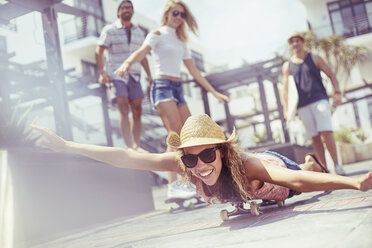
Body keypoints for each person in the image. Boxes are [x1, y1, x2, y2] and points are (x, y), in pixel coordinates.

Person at [32, 114, 372, 206]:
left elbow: (296, 183)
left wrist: (353, 183)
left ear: (221, 152)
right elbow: (129, 158)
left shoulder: (246, 167)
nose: (201, 165)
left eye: (208, 154)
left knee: (306, 172)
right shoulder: (187, 165)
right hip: (257, 188)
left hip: (279, 171)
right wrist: (68, 146)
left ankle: (313, 160)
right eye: (192, 159)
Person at [114, 0, 229, 199]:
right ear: (167, 13)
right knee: (175, 135)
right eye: (175, 13)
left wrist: (214, 92)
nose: (178, 18)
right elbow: (142, 53)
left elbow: (194, 71)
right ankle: (173, 185)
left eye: (182, 15)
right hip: (162, 86)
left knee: (192, 135)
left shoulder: (181, 41)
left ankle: (191, 181)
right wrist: (126, 62)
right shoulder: (157, 34)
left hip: (177, 89)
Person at [282, 32, 346, 175]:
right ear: (290, 45)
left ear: (302, 42)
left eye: (297, 40)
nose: (295, 43)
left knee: (326, 131)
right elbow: (285, 90)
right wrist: (286, 111)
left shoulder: (315, 58)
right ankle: (325, 170)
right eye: (292, 41)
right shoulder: (287, 66)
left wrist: (337, 92)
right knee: (315, 137)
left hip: (319, 99)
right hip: (302, 105)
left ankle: (337, 165)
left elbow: (331, 74)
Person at [95, 0, 152, 151]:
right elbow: (98, 51)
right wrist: (102, 72)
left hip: (135, 75)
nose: (128, 10)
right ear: (118, 12)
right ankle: (128, 146)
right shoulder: (110, 29)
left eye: (130, 7)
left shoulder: (139, 32)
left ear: (133, 12)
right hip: (116, 74)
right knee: (124, 108)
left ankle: (137, 145)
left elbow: (143, 56)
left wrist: (150, 76)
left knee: (138, 109)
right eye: (124, 7)